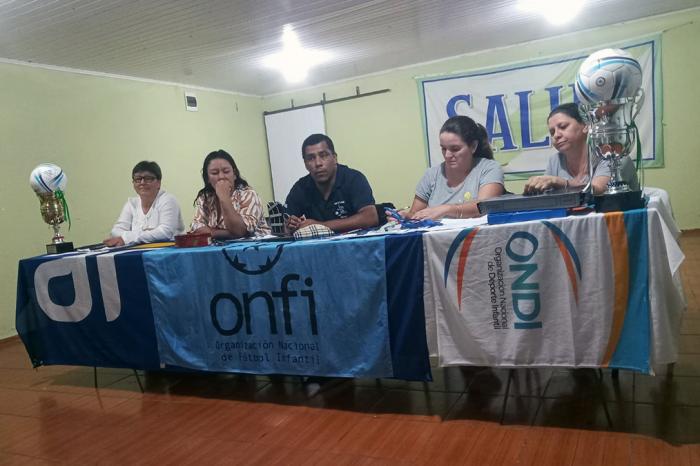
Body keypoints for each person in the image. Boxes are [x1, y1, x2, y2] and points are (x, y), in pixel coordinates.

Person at [401, 115, 504, 220]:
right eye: (444, 149)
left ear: (473, 146)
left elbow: (484, 206)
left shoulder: (489, 168)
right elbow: (415, 213)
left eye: (455, 149)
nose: (447, 155)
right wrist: (406, 217)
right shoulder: (431, 174)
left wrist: (447, 209)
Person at [523, 102, 639, 195]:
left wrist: (560, 182)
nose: (556, 135)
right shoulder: (555, 161)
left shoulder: (610, 154)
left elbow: (598, 190)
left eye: (563, 127)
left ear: (586, 126)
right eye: (552, 132)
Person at [285, 133, 378, 233]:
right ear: (305, 164)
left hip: (354, 245)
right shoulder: (300, 188)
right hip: (317, 247)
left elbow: (370, 218)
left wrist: (320, 226)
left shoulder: (353, 179)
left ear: (334, 158)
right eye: (311, 158)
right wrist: (291, 226)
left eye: (323, 155)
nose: (318, 163)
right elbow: (284, 227)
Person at [190, 150, 270, 238]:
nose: (221, 177)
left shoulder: (249, 194)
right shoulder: (205, 197)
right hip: (219, 249)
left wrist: (224, 198)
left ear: (234, 174)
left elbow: (240, 231)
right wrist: (228, 234)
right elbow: (196, 227)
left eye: (226, 171)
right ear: (207, 178)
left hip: (255, 249)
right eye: (215, 173)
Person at [104, 161, 185, 246]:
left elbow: (165, 232)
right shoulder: (131, 203)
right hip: (137, 251)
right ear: (133, 183)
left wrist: (128, 238)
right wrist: (144, 234)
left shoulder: (168, 200)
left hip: (168, 253)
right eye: (138, 179)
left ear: (158, 183)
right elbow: (115, 231)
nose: (142, 182)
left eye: (148, 178)